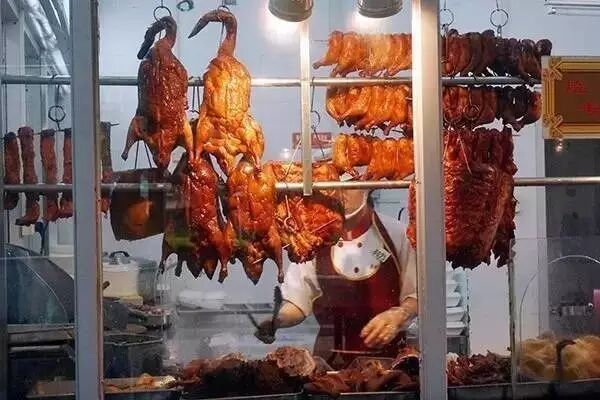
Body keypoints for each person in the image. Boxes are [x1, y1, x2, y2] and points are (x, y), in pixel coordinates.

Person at [255, 188, 417, 368]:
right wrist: (276, 321)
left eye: (349, 187)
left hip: (390, 364)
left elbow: (417, 296)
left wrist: (399, 315)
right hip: (330, 365)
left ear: (366, 187)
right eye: (334, 187)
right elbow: (298, 303)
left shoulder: (398, 234)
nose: (340, 193)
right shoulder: (314, 239)